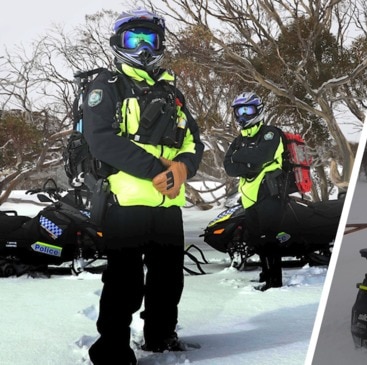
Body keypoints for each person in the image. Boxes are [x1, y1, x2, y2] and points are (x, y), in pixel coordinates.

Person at [84, 9, 204, 365]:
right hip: (125, 202)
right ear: (118, 44)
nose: (141, 48)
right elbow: (101, 139)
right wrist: (156, 171)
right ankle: (112, 349)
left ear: (160, 43)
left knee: (168, 279)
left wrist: (183, 168)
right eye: (132, 40)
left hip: (168, 204)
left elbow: (194, 141)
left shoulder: (173, 93)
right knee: (125, 281)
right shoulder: (106, 86)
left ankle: (161, 335)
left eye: (148, 39)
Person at [223, 92, 341, 291]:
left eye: (247, 109)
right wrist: (248, 162)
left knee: (269, 238)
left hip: (270, 194)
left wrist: (242, 159)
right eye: (239, 110)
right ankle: (265, 274)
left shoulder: (271, 134)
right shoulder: (239, 140)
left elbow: (262, 156)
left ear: (258, 110)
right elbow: (229, 166)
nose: (243, 115)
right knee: (256, 239)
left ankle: (274, 281)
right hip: (249, 197)